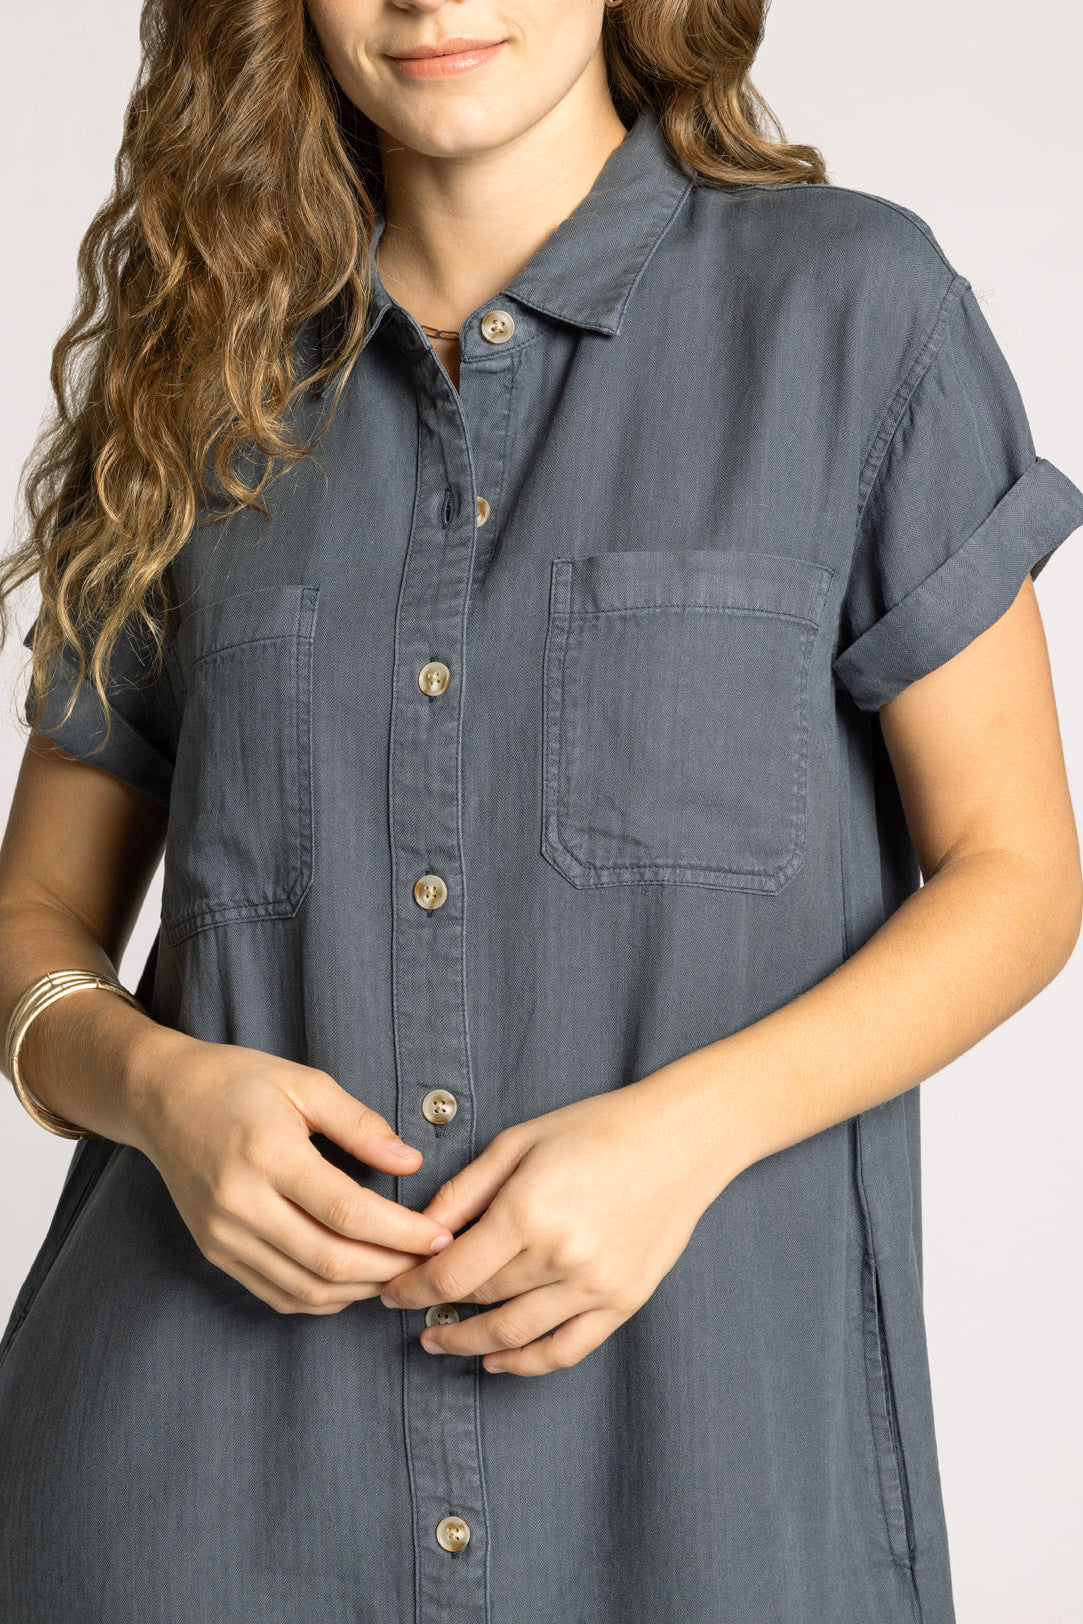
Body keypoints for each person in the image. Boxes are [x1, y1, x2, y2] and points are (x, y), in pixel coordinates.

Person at [0, 1, 1080, 1620]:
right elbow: (31, 933)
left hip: (705, 1499)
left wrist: (685, 1137)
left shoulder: (853, 314)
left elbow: (1016, 875)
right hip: (196, 1503)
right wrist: (157, 1093)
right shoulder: (194, 382)